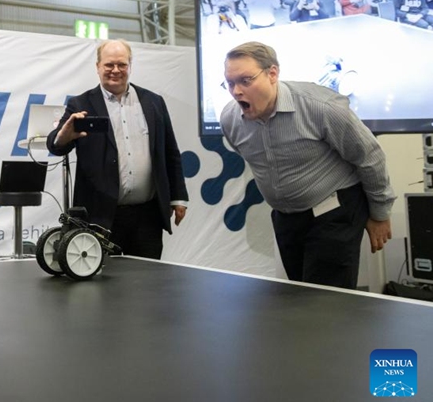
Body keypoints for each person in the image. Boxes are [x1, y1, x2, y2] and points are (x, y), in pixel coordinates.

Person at [219, 41, 396, 289]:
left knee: (325, 304)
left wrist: (379, 214)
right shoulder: (230, 119)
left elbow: (369, 156)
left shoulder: (321, 107)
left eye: (246, 81)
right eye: (230, 83)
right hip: (286, 218)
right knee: (301, 297)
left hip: (334, 211)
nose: (236, 91)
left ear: (272, 74)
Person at [46, 39, 188, 260]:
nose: (115, 70)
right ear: (98, 67)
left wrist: (178, 197)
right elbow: (55, 146)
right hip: (100, 217)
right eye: (109, 65)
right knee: (101, 287)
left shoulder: (153, 102)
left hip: (147, 217)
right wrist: (63, 137)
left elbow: (170, 151)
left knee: (148, 282)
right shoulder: (80, 104)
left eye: (122, 64)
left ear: (130, 65)